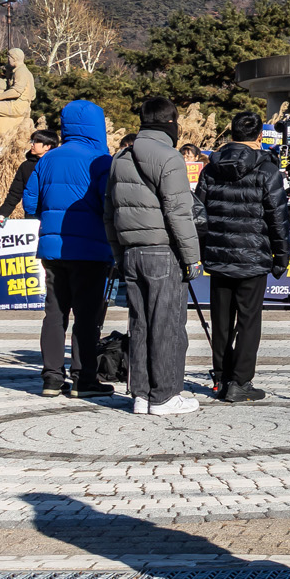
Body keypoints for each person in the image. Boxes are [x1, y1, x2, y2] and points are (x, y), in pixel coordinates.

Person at [106, 97, 204, 417]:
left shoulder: (120, 157)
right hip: (162, 253)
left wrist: (120, 255)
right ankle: (165, 396)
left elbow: (110, 214)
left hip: (131, 253)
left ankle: (142, 395)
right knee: (167, 325)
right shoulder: (170, 158)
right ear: (172, 122)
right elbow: (179, 213)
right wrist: (193, 258)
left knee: (141, 324)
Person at [18, 102, 114, 398]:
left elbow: (31, 203)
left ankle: (51, 378)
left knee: (55, 313)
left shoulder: (48, 158)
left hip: (52, 247)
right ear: (97, 125)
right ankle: (84, 379)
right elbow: (108, 203)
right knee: (87, 316)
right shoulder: (101, 159)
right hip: (90, 249)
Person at [195, 111, 290, 403]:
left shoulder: (210, 168)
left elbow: (198, 213)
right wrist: (281, 255)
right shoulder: (267, 169)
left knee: (221, 320)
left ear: (231, 134)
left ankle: (222, 377)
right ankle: (240, 382)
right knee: (249, 321)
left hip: (219, 254)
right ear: (259, 136)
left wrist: (203, 250)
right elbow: (278, 217)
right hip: (253, 255)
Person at [0, 130, 58, 220]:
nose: (32, 145)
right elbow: (15, 193)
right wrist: (3, 214)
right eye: (32, 141)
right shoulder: (26, 166)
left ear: (47, 146)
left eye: (36, 142)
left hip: (52, 214)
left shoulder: (57, 165)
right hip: (32, 216)